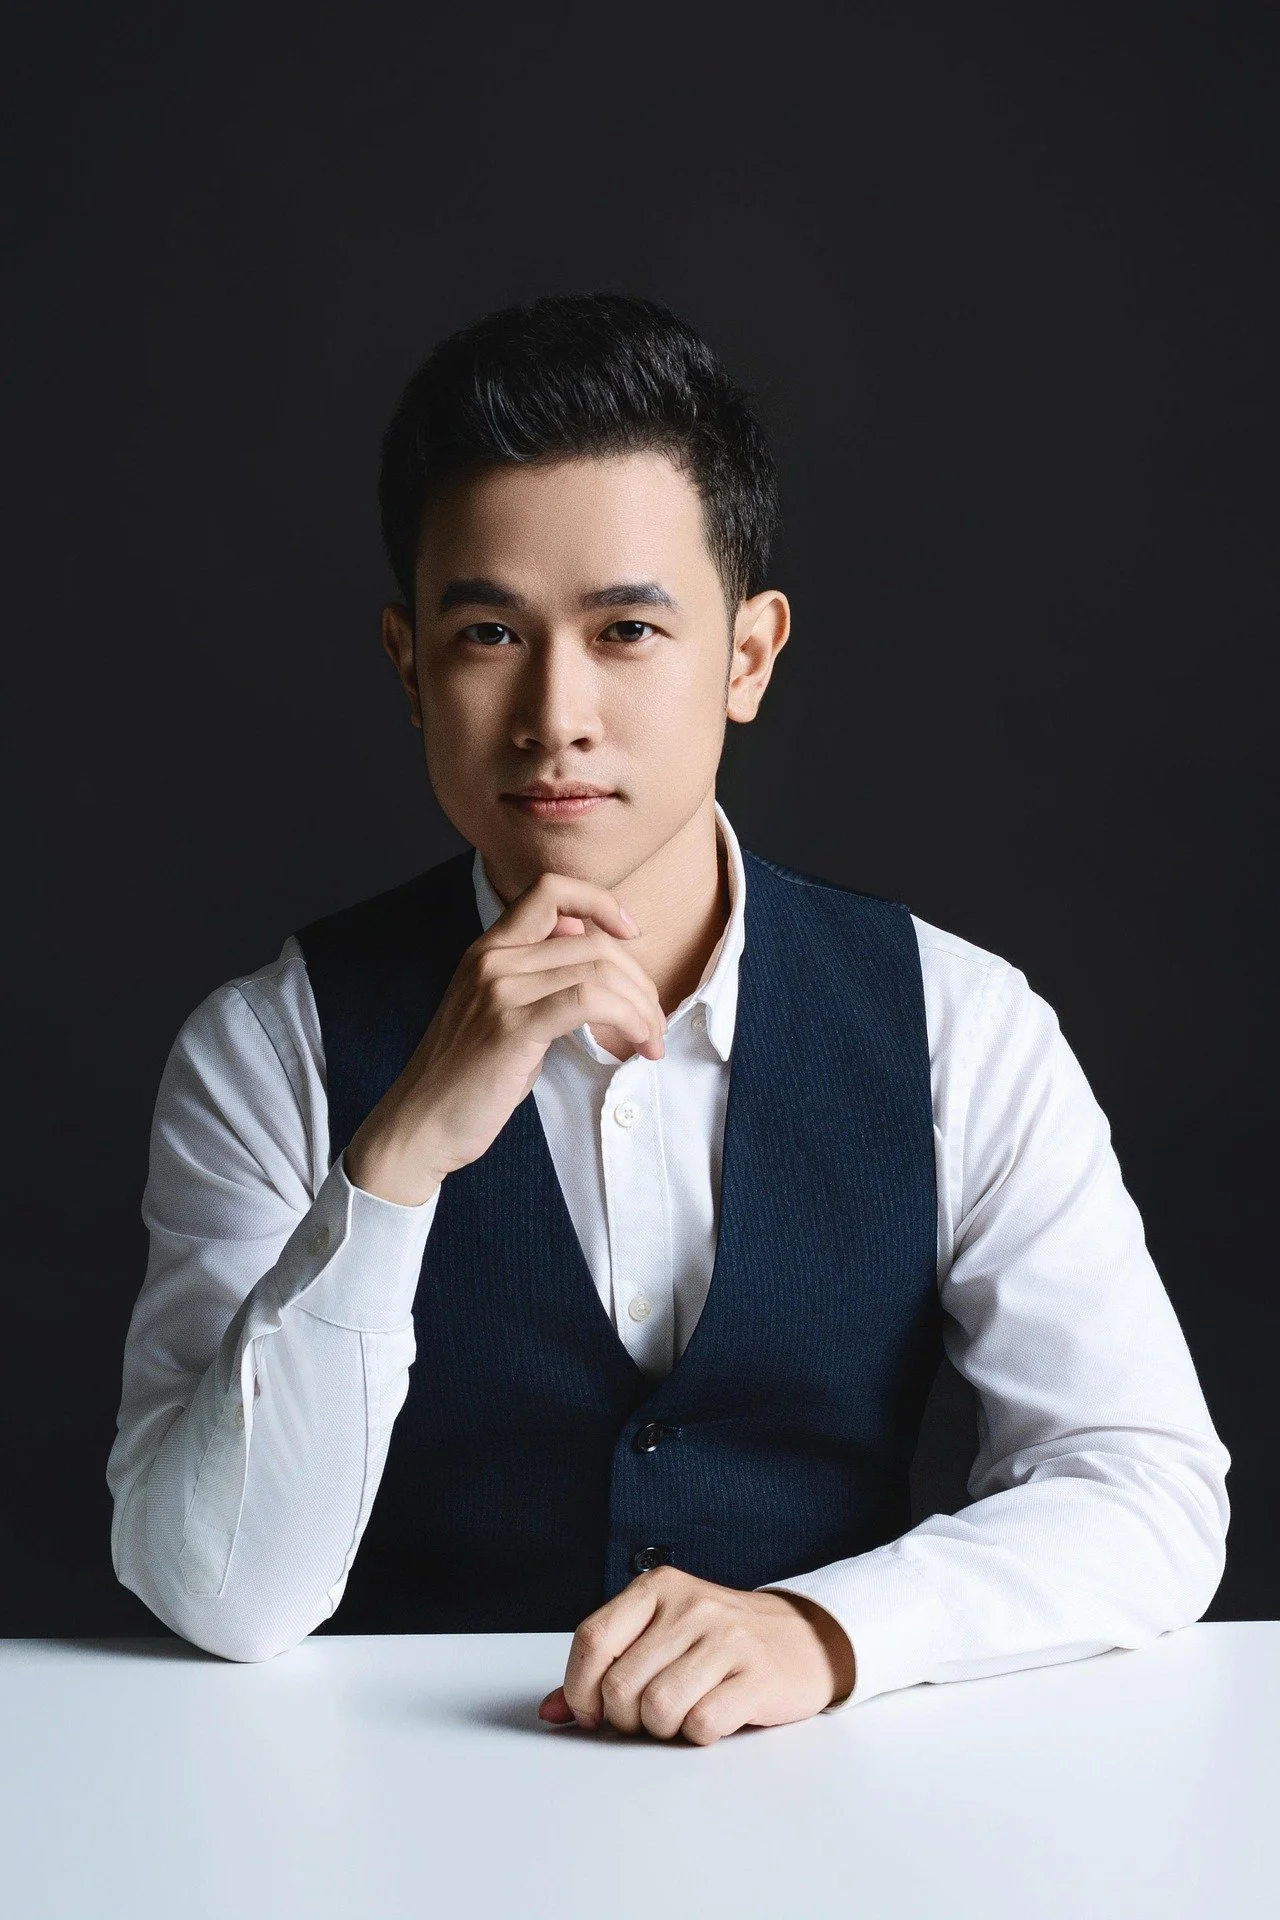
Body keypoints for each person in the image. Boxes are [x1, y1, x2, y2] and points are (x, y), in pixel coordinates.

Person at [106, 291, 1230, 1747]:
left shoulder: (961, 1024)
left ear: (748, 657)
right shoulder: (270, 1050)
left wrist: (833, 1633)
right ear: (408, 666)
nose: (555, 711)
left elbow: (1144, 1488)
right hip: (388, 1827)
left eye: (628, 629)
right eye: (491, 633)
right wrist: (395, 1164)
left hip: (834, 1813)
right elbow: (216, 1593)